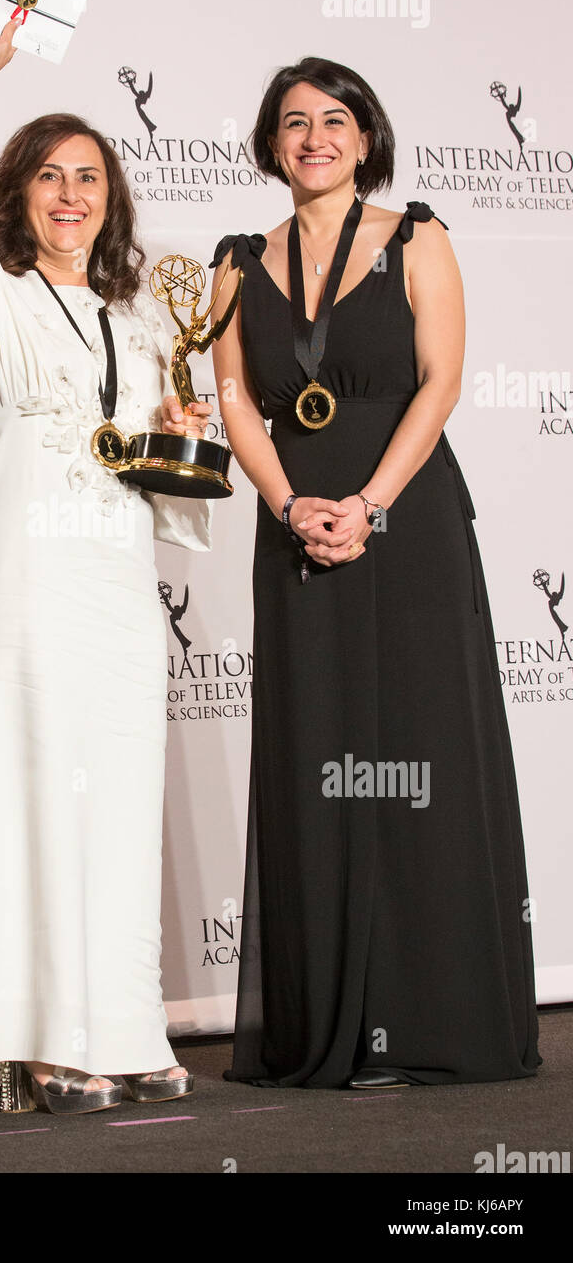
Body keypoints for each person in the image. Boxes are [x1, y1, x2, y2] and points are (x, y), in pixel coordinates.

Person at [210, 57, 540, 1089]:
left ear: (366, 137)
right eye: (295, 121)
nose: (316, 136)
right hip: (294, 524)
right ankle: (330, 1029)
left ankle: (424, 1019)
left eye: (336, 120)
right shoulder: (234, 261)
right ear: (271, 143)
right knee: (319, 761)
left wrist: (370, 504)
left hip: (408, 522)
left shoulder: (417, 239)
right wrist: (286, 503)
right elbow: (230, 397)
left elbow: (440, 382)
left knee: (419, 758)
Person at [0, 21, 214, 1113]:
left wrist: (181, 427)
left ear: (112, 200)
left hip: (118, 598)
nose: (71, 194)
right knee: (19, 801)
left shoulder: (137, 324)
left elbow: (168, 486)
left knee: (117, 808)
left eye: (90, 177)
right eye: (50, 176)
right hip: (22, 591)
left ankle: (119, 1027)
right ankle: (31, 1041)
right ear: (19, 196)